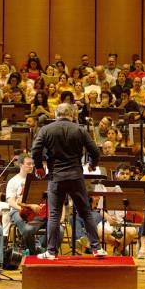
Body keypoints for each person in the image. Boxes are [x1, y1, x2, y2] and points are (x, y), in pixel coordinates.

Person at [31, 103, 106, 259]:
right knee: (86, 213)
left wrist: (39, 167)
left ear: (56, 113)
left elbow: (35, 150)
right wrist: (93, 164)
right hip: (76, 176)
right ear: (72, 114)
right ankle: (96, 248)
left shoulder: (46, 130)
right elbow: (95, 151)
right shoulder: (80, 130)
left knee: (54, 215)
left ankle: (51, 252)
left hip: (56, 177)